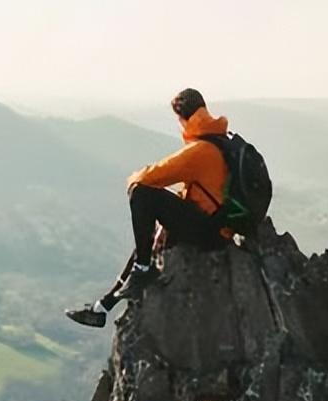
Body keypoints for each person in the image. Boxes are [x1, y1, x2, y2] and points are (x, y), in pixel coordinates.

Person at [66, 88, 230, 328]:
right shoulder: (219, 142)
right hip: (215, 226)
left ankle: (142, 269)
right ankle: (102, 308)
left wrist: (131, 181)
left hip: (209, 232)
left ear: (183, 117)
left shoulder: (201, 150)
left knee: (141, 193)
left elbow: (148, 178)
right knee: (146, 242)